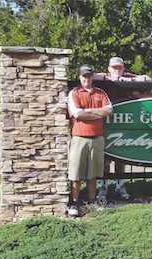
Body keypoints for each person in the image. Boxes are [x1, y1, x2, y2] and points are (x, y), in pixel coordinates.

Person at [95, 56, 152, 200]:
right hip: (107, 123)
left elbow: (148, 79)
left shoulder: (128, 78)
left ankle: (120, 185)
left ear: (123, 68)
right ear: (109, 68)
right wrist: (110, 80)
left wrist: (128, 81)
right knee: (105, 157)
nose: (116, 70)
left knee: (121, 157)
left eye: (119, 67)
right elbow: (92, 76)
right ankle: (104, 186)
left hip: (124, 123)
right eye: (114, 67)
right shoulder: (103, 77)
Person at [67, 64, 113, 217]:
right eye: (83, 76)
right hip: (79, 137)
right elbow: (77, 114)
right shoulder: (74, 93)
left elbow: (109, 110)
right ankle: (74, 202)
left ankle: (91, 202)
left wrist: (89, 111)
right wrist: (98, 114)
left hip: (97, 138)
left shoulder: (101, 93)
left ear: (92, 76)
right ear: (79, 77)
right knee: (76, 173)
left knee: (93, 173)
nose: (86, 78)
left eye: (89, 75)